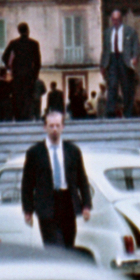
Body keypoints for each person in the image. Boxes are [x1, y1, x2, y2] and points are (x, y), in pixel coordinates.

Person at [21, 106, 92, 249]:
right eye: (51, 126)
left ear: (63, 127)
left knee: (68, 246)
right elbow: (27, 184)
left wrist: (86, 205)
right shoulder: (34, 153)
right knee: (54, 247)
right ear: (44, 127)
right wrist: (27, 210)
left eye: (57, 126)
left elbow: (82, 179)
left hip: (68, 204)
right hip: (46, 205)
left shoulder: (72, 151)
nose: (54, 129)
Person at [100, 8, 140, 118]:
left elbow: (136, 46)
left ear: (121, 19)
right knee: (112, 85)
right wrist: (102, 65)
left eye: (117, 19)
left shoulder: (130, 31)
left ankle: (128, 112)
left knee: (126, 87)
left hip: (124, 60)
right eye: (113, 19)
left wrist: (135, 57)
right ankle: (110, 112)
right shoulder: (107, 33)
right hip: (112, 60)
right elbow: (105, 50)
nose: (115, 22)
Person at [4, 22, 41, 122]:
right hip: (29, 75)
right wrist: (35, 76)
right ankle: (27, 117)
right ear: (28, 30)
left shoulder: (14, 43)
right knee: (28, 97)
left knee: (17, 97)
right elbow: (37, 62)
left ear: (19, 31)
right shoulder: (34, 44)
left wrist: (10, 68)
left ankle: (18, 117)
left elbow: (4, 57)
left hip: (17, 75)